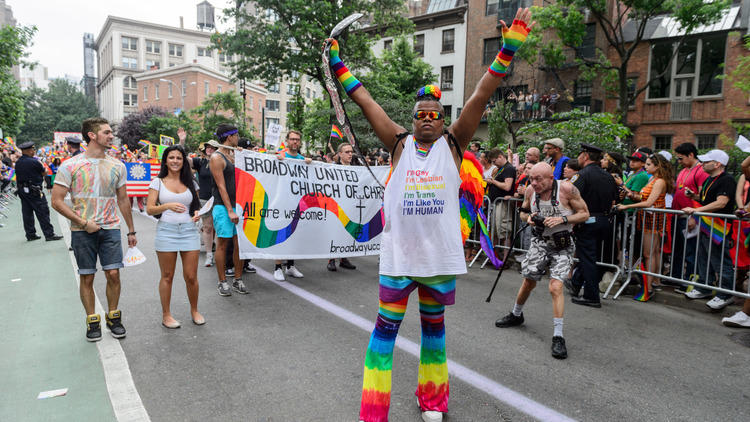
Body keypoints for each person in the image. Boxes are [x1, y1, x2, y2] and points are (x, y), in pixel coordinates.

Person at [326, 8, 533, 422]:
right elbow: (364, 100)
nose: (425, 120)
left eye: (433, 116)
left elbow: (479, 95)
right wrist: (338, 65)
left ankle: (433, 401)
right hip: (398, 260)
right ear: (412, 120)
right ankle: (373, 411)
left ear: (442, 121)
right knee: (384, 334)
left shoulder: (454, 145)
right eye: (419, 115)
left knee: (434, 334)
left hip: (437, 260)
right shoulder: (398, 144)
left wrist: (507, 52)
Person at [51, 117, 136, 342]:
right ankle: (92, 321)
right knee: (87, 277)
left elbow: (123, 199)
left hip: (110, 228)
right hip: (82, 231)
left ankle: (113, 317)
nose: (111, 136)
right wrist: (82, 222)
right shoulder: (70, 165)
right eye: (107, 132)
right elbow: (57, 201)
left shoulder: (117, 165)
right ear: (92, 135)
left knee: (113, 273)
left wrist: (131, 230)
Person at [495, 162, 589, 358]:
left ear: (551, 178)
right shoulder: (530, 190)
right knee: (528, 281)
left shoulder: (567, 189)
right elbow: (523, 212)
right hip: (539, 241)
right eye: (532, 179)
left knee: (555, 287)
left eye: (539, 179)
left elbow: (585, 214)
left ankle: (558, 336)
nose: (534, 183)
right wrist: (528, 218)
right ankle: (516, 314)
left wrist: (562, 220)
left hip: (563, 244)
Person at [146, 145, 205, 328]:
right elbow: (150, 209)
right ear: (165, 160)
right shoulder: (157, 182)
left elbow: (196, 206)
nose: (175, 161)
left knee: (191, 276)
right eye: (171, 157)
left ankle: (194, 311)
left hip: (189, 231)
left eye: (179, 158)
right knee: (167, 276)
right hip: (167, 232)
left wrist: (197, 214)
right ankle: (166, 315)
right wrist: (166, 206)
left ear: (183, 161)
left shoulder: (191, 182)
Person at [565, 143, 618, 307]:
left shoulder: (582, 175)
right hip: (604, 221)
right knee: (588, 256)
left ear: (585, 156)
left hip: (587, 220)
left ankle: (591, 296)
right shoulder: (608, 176)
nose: (579, 157)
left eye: (580, 154)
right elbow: (615, 199)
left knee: (587, 258)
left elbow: (570, 196)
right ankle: (576, 282)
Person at [682, 150, 737, 310]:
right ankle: (704, 287)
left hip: (720, 227)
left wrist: (697, 210)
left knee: (720, 261)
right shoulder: (709, 179)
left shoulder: (727, 180)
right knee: (703, 257)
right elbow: (708, 199)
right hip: (707, 225)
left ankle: (725, 294)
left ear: (717, 164)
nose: (703, 164)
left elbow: (721, 203)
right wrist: (695, 197)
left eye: (706, 162)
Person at [616, 154, 674, 300]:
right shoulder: (652, 179)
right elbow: (643, 198)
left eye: (648, 164)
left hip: (653, 220)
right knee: (649, 254)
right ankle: (648, 285)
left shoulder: (660, 181)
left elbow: (649, 203)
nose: (646, 167)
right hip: (646, 218)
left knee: (650, 254)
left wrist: (625, 206)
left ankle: (648, 288)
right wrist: (629, 193)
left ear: (657, 166)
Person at [209, 124, 248, 296]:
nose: (238, 138)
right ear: (229, 137)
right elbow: (221, 186)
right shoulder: (217, 158)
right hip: (223, 207)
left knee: (241, 244)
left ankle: (238, 279)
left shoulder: (233, 155)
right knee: (223, 244)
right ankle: (222, 281)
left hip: (239, 205)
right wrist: (229, 210)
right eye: (236, 135)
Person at [273, 130, 312, 281]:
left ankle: (290, 266)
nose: (295, 142)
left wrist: (309, 164)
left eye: (297, 139)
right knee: (280, 234)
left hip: (297, 204)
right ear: (287, 141)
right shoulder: (281, 156)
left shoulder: (303, 159)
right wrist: (277, 159)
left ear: (300, 142)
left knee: (294, 234)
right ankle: (277, 267)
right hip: (282, 202)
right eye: (292, 139)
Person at [670, 143, 709, 286]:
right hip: (677, 215)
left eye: (681, 159)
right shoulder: (683, 170)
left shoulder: (701, 171)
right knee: (678, 250)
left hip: (690, 217)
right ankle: (675, 277)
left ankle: (689, 280)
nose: (679, 162)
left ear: (691, 155)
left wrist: (694, 217)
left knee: (691, 251)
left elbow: (701, 197)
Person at [14, 142, 63, 241]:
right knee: (42, 211)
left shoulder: (18, 162)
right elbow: (44, 172)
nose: (34, 151)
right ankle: (49, 234)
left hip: (22, 190)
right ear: (29, 150)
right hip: (34, 190)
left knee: (27, 213)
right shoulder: (34, 161)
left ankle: (30, 234)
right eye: (33, 150)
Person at [328, 142, 357, 271]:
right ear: (340, 154)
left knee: (348, 232)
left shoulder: (357, 168)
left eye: (351, 152)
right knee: (335, 232)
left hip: (351, 206)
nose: (350, 154)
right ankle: (331, 259)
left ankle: (344, 258)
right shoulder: (333, 168)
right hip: (337, 206)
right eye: (347, 152)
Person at [192, 141, 217, 267]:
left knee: (218, 228)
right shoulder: (200, 162)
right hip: (205, 199)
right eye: (208, 147)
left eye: (213, 147)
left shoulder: (221, 161)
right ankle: (209, 255)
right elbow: (185, 160)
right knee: (207, 227)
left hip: (219, 199)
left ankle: (220, 254)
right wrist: (182, 141)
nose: (209, 149)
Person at [485, 148, 516, 250]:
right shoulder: (500, 169)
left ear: (500, 157)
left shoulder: (509, 169)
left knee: (504, 230)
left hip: (502, 204)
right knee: (494, 230)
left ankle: (505, 258)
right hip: (495, 203)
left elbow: (507, 186)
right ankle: (495, 256)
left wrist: (493, 182)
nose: (494, 164)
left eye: (494, 161)